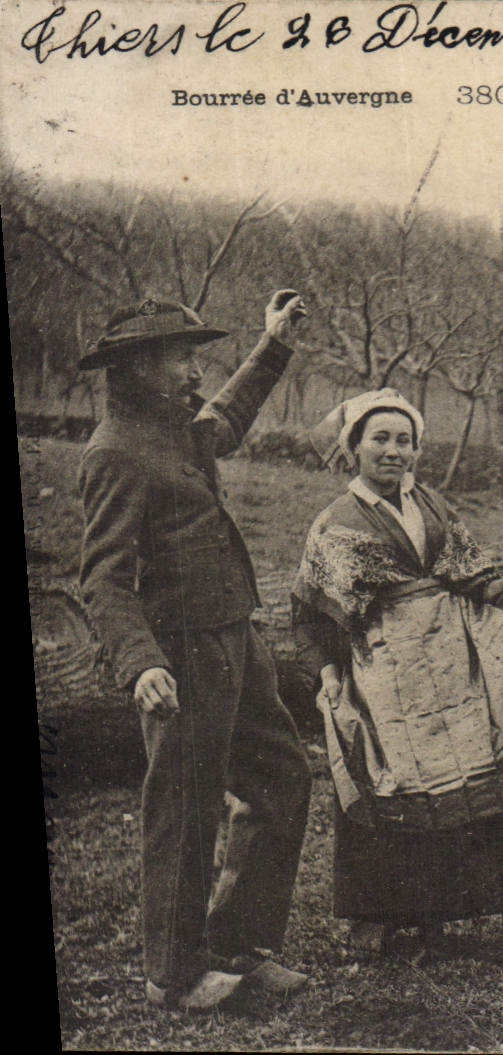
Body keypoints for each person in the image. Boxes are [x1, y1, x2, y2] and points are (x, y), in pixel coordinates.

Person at [291, 390, 503, 960]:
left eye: (404, 440)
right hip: (386, 676)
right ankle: (397, 923)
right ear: (354, 447)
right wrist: (328, 674)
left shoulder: (432, 505)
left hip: (459, 667)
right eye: (380, 439)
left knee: (493, 776)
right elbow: (310, 612)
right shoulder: (333, 523)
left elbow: (468, 574)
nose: (394, 451)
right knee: (396, 790)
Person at [77, 293, 314, 1010]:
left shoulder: (178, 430)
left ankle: (241, 943)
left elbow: (229, 416)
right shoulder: (115, 452)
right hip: (178, 657)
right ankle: (173, 973)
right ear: (142, 367)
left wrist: (274, 345)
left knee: (283, 776)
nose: (193, 368)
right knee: (185, 809)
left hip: (234, 638)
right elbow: (103, 578)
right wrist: (143, 662)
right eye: (182, 356)